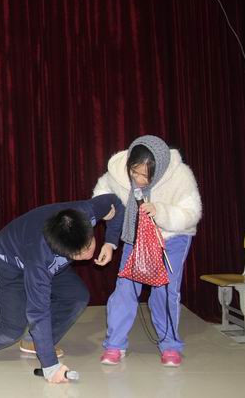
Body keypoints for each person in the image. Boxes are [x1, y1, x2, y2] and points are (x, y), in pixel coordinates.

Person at [0, 194, 124, 384]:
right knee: (9, 329)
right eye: (80, 253)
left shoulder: (86, 212)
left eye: (90, 243)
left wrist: (110, 242)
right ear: (61, 250)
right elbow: (38, 311)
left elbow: (115, 202)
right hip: (9, 263)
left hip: (41, 260)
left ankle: (34, 342)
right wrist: (50, 366)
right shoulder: (40, 258)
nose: (89, 253)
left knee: (76, 296)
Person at [93, 135, 202, 367]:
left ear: (159, 169)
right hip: (136, 236)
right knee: (125, 289)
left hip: (172, 237)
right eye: (135, 172)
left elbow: (192, 212)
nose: (139, 179)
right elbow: (101, 193)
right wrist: (105, 209)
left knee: (165, 291)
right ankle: (114, 345)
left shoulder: (180, 175)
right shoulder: (118, 172)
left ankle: (170, 345)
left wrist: (160, 211)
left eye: (146, 175)